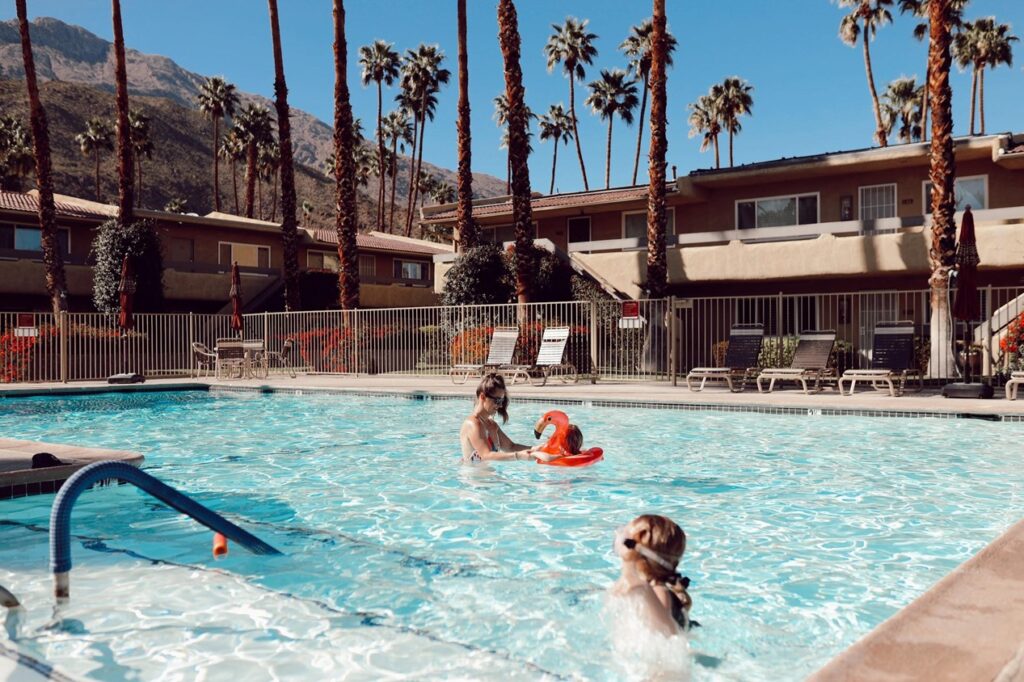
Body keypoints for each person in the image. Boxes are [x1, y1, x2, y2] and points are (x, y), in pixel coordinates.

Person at [610, 514, 695, 637]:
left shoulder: (657, 591)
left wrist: (644, 591)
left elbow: (669, 634)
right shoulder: (625, 585)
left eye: (624, 533)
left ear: (632, 546)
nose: (618, 535)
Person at [460, 373, 557, 463]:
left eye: (502, 400)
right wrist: (518, 456)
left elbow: (510, 446)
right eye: (497, 401)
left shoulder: (492, 425)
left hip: (487, 478)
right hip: (472, 479)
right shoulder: (472, 423)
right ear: (483, 397)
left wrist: (537, 448)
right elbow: (486, 455)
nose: (500, 405)